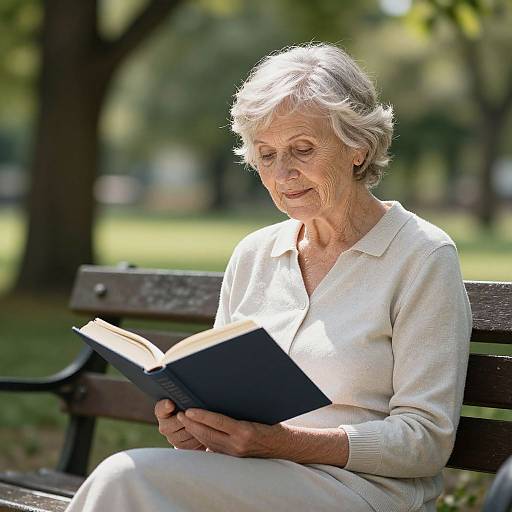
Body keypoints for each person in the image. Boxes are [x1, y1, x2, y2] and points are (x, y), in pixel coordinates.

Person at [66, 43, 472, 512]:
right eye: (266, 155)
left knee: (125, 479)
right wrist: (197, 428)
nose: (283, 174)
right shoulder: (255, 254)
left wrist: (280, 443)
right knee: (132, 480)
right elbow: (225, 403)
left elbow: (424, 441)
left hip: (361, 493)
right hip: (251, 480)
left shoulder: (422, 255)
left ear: (357, 147)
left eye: (302, 149)